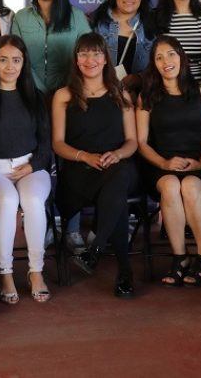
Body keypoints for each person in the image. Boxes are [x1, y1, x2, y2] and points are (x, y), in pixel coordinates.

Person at [52, 33, 138, 298]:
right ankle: (123, 270)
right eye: (84, 54)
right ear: (76, 60)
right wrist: (84, 156)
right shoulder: (64, 96)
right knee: (117, 194)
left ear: (105, 59)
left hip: (116, 164)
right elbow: (57, 143)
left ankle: (96, 250)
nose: (90, 60)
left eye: (96, 54)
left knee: (119, 176)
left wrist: (118, 154)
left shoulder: (120, 93)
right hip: (80, 171)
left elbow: (132, 141)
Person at [0, 35, 52, 304]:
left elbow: (45, 141)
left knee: (33, 200)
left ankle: (36, 271)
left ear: (24, 62)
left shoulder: (35, 96)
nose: (10, 66)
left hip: (30, 166)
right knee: (8, 200)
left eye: (16, 60)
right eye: (3, 59)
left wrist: (34, 165)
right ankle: (5, 272)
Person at [136, 36, 201, 286]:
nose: (166, 61)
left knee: (191, 186)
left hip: (198, 164)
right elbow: (141, 142)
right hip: (161, 166)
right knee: (172, 185)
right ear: (154, 63)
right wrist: (163, 163)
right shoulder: (147, 96)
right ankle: (179, 257)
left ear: (182, 57)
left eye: (171, 54)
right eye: (159, 57)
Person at [12, 0, 90, 94]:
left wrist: (62, 91)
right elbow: (16, 56)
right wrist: (39, 90)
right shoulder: (21, 17)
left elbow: (87, 55)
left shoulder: (77, 16)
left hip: (69, 91)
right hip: (29, 91)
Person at [89, 0, 155, 79]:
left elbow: (157, 63)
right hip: (103, 89)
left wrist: (138, 79)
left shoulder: (152, 23)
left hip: (141, 92)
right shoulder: (96, 20)